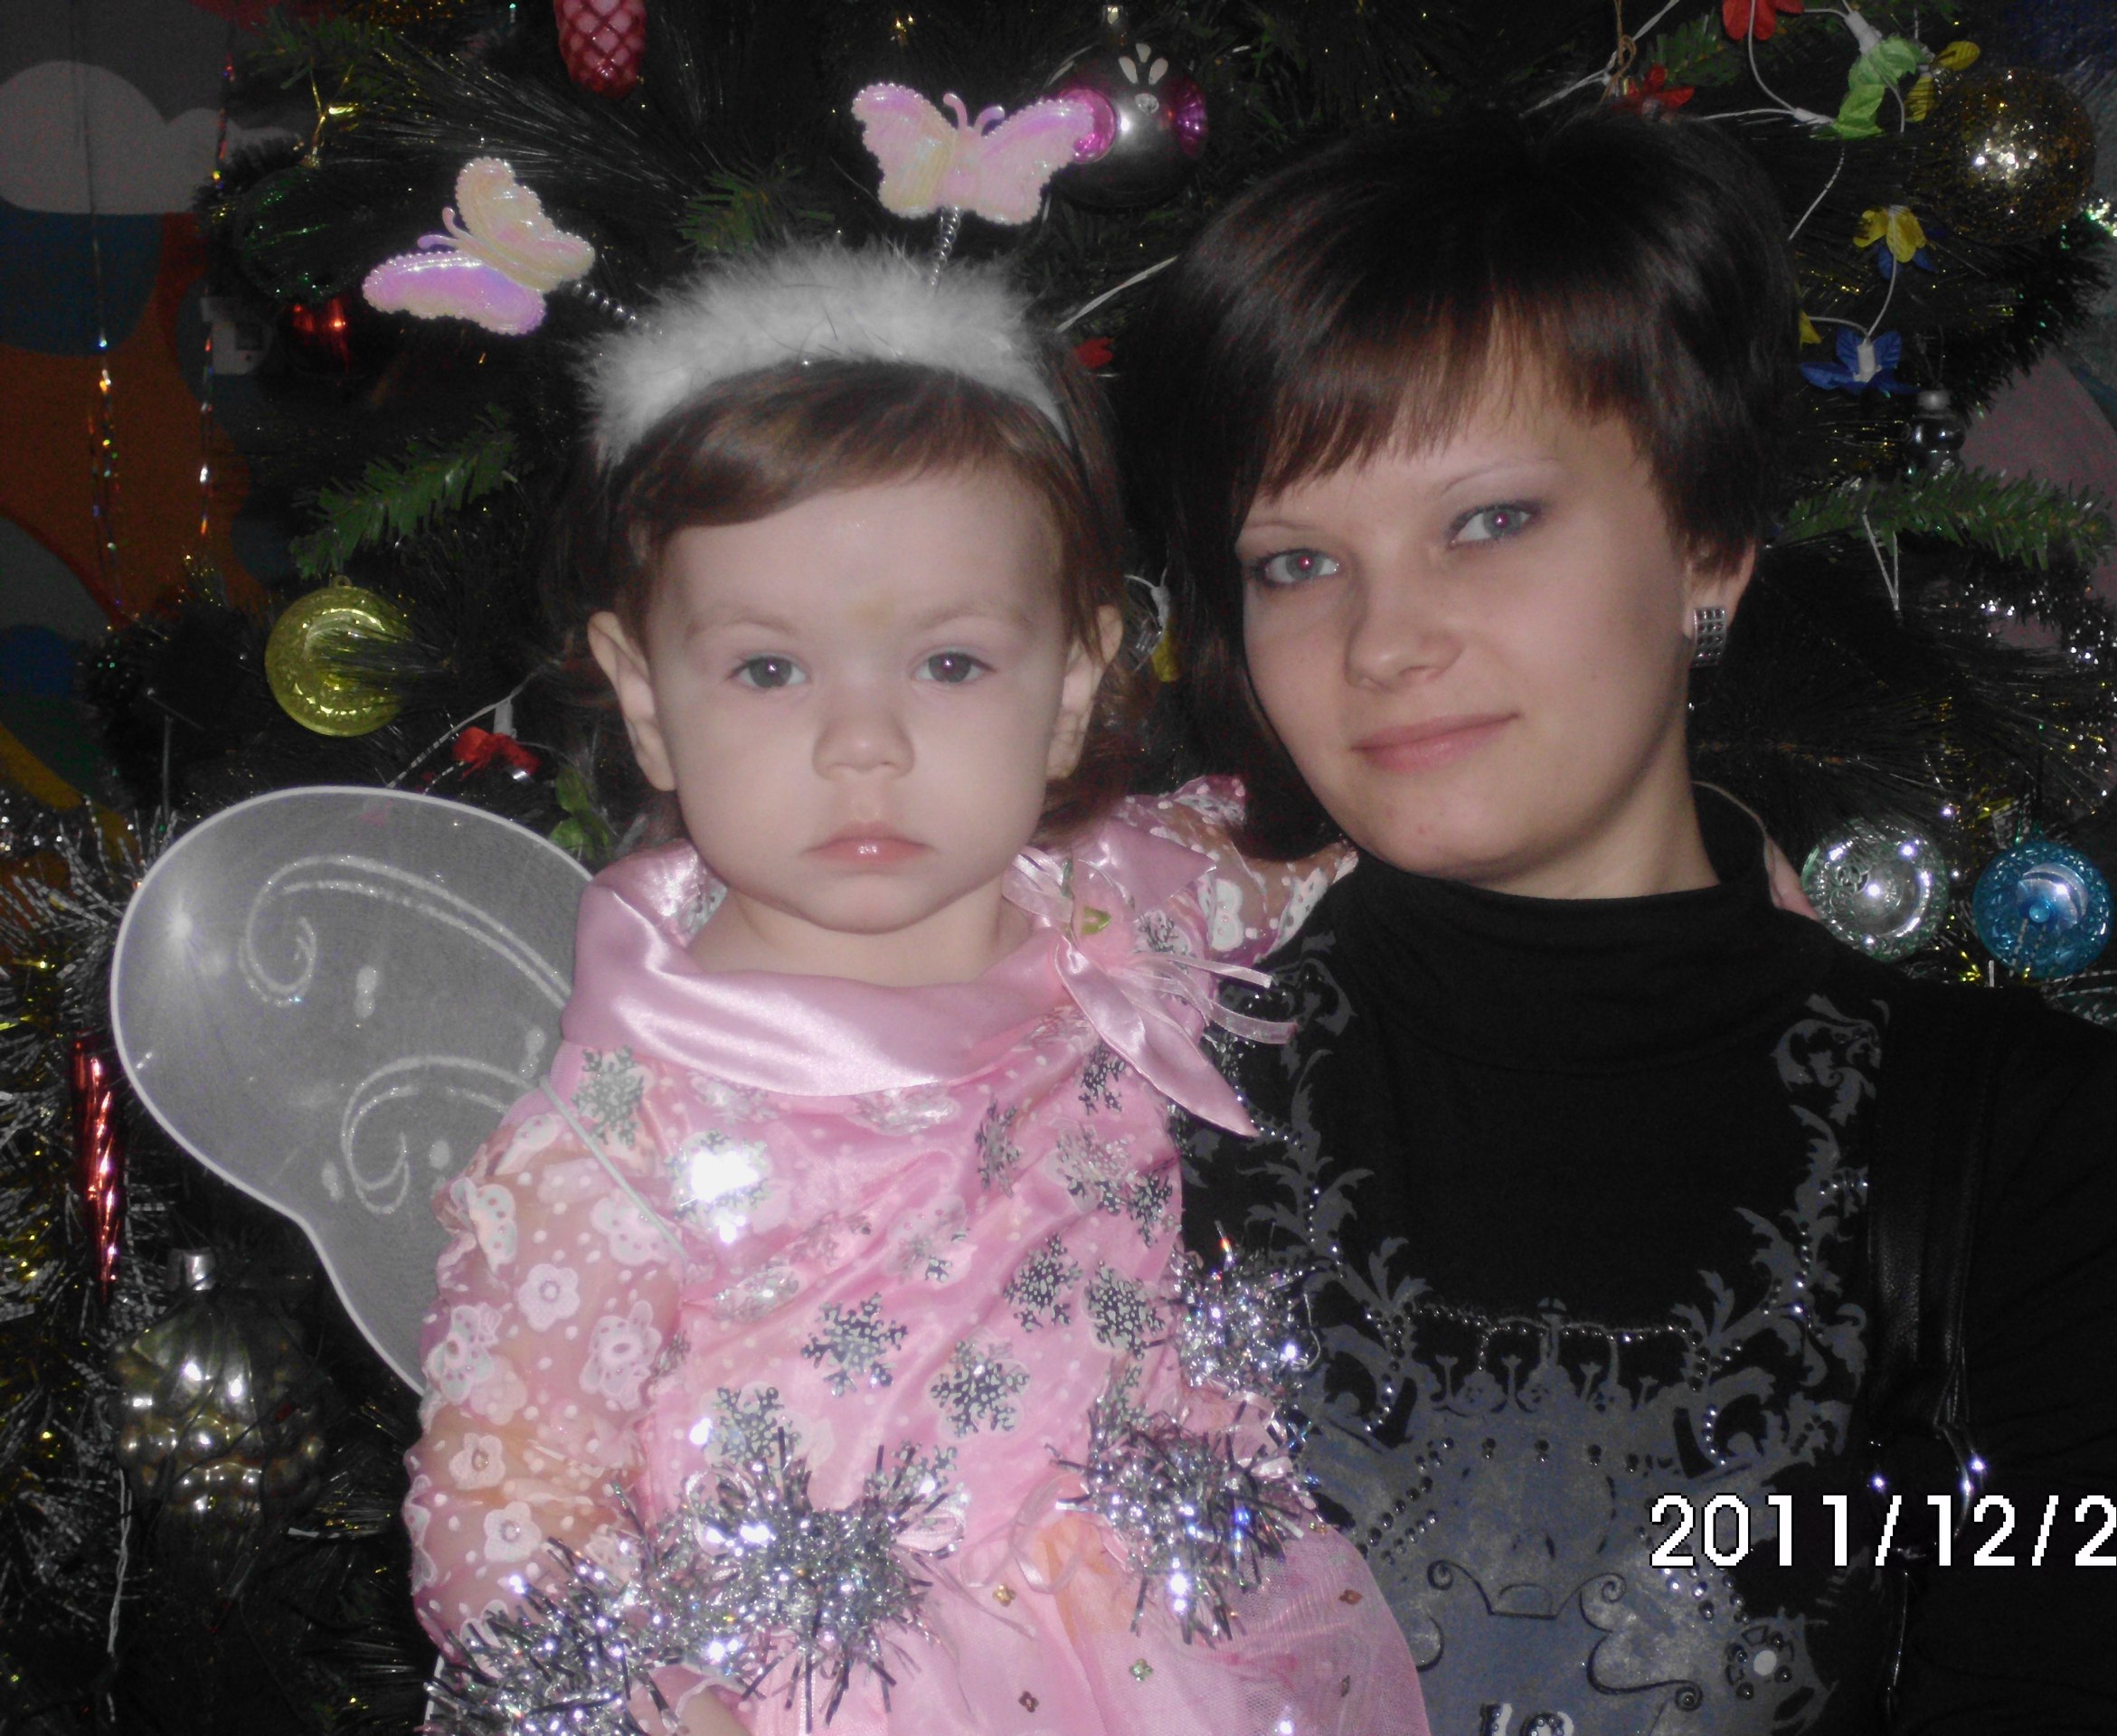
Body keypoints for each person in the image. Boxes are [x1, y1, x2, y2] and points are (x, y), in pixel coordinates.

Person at [1123, 109, 2117, 1733]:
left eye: (1489, 520)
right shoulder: (1137, 1091)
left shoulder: (2013, 1144)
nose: (1384, 641)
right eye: (1296, 563)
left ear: (1709, 547)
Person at [401, 245, 1426, 1736]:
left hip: (1173, 1654)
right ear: (645, 698)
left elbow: (1348, 830)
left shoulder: (1122, 897)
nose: (862, 745)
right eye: (769, 672)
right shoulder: (621, 1128)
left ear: (1070, 688)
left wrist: (1720, 834)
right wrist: (660, 1705)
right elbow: (505, 1486)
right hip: (815, 1694)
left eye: (949, 664)